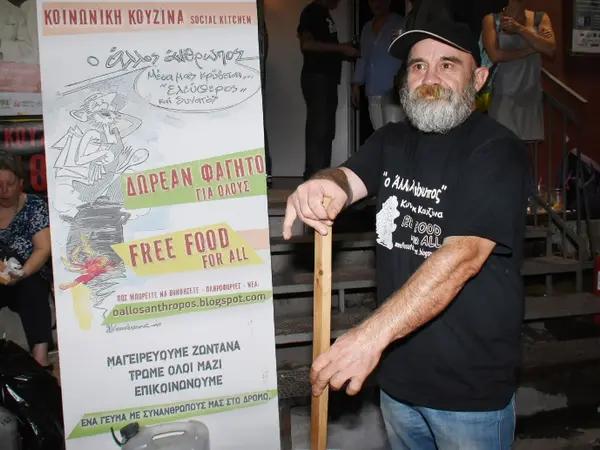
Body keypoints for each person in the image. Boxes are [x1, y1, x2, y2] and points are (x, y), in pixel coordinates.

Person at [283, 20, 530, 449]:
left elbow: (462, 256)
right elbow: (346, 178)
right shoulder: (391, 139)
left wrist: (368, 337)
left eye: (447, 65)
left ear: (478, 78)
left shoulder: (496, 148)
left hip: (468, 394)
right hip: (397, 383)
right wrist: (323, 184)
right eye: (418, 66)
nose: (429, 78)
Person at [0, 151, 53, 368]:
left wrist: (21, 273)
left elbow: (43, 248)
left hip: (28, 271)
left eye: (10, 184)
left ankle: (40, 358)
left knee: (33, 289)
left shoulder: (34, 206)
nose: (4, 190)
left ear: (21, 183)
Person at [297, 0, 360, 180]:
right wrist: (341, 48)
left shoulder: (323, 13)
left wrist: (344, 48)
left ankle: (321, 176)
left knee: (326, 130)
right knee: (319, 129)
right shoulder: (312, 11)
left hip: (327, 79)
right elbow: (307, 44)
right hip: (317, 77)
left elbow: (323, 46)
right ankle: (313, 177)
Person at [482, 0, 556, 141]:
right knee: (503, 143)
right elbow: (495, 55)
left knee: (527, 148)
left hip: (529, 94)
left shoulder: (540, 18)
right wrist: (531, 49)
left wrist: (520, 30)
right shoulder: (492, 20)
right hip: (502, 95)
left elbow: (549, 48)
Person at [352, 0, 406, 130]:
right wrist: (356, 84)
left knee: (393, 135)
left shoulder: (400, 23)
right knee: (379, 134)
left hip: (393, 91)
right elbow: (362, 57)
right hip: (373, 91)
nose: (376, 4)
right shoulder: (366, 28)